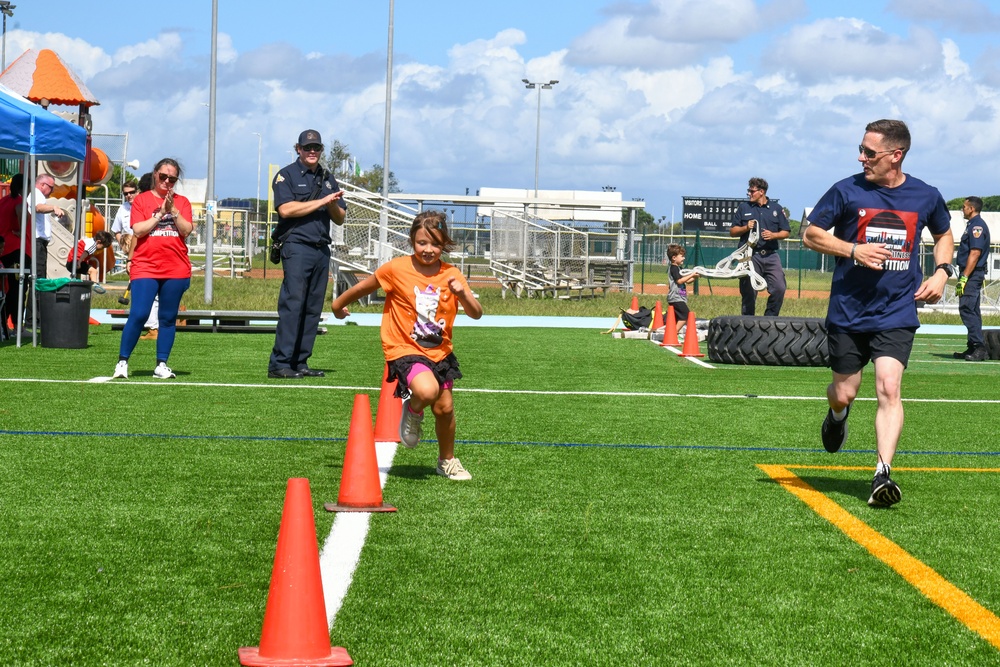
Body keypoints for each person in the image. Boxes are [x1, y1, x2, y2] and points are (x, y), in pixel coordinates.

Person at [803, 119, 954, 508]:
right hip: (849, 312)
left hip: (897, 310)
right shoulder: (846, 190)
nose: (862, 157)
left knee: (889, 386)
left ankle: (882, 473)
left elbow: (943, 234)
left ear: (896, 155)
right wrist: (853, 250)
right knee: (845, 392)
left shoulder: (926, 195)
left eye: (870, 153)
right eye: (861, 150)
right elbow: (810, 233)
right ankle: (837, 416)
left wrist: (942, 272)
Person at [331, 210, 484, 480]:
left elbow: (476, 312)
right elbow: (363, 288)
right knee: (426, 391)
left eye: (435, 244)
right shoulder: (396, 269)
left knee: (445, 409)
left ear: (444, 244)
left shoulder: (452, 274)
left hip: (440, 351)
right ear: (411, 240)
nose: (428, 249)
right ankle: (412, 409)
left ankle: (446, 460)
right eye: (422, 243)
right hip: (405, 348)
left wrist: (463, 294)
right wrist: (337, 304)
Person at [267, 129, 347, 379]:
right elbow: (287, 210)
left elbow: (340, 218)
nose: (312, 152)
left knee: (313, 308)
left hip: (321, 248)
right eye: (307, 147)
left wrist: (332, 203)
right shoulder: (286, 176)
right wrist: (322, 202)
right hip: (297, 246)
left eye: (317, 148)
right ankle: (280, 363)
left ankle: (301, 362)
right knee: (293, 305)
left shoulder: (327, 177)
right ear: (298, 149)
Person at [112, 159, 193, 380]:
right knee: (139, 314)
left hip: (175, 268)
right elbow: (138, 230)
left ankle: (161, 364)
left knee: (167, 317)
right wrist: (159, 214)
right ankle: (122, 362)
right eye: (163, 176)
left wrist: (173, 210)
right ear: (155, 174)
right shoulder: (141, 200)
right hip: (146, 266)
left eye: (172, 179)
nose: (167, 181)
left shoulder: (183, 202)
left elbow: (186, 230)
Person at [729, 177, 790, 316]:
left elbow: (786, 232)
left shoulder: (776, 208)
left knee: (779, 288)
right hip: (750, 256)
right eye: (749, 191)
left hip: (770, 255)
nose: (749, 194)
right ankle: (748, 323)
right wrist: (746, 227)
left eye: (752, 191)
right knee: (749, 291)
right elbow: (732, 231)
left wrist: (774, 235)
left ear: (761, 192)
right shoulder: (744, 207)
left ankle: (769, 320)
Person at [953, 196, 991, 362]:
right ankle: (973, 345)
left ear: (972, 208)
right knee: (972, 310)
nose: (963, 209)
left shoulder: (976, 226)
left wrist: (964, 277)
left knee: (967, 308)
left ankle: (979, 347)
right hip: (972, 274)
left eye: (964, 207)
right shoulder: (973, 225)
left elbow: (974, 253)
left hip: (972, 274)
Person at [666, 244, 697, 326]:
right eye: (682, 256)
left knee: (679, 317)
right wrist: (691, 275)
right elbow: (679, 281)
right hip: (675, 298)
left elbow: (687, 281)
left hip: (680, 297)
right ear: (674, 257)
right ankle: (674, 333)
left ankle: (672, 331)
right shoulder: (674, 268)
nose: (684, 258)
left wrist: (695, 276)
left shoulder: (679, 268)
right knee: (686, 315)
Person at [111, 182, 138, 256]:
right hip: (130, 250)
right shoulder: (122, 208)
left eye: (131, 192)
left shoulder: (144, 204)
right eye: (126, 194)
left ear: (137, 192)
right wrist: (124, 245)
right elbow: (116, 230)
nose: (129, 195)